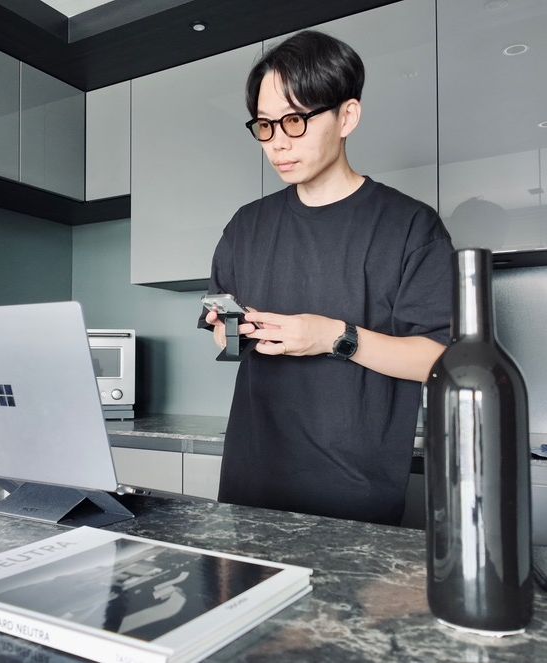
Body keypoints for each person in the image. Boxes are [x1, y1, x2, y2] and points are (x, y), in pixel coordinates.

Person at [198, 30, 453, 525]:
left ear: (347, 117)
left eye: (295, 120)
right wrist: (229, 332)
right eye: (265, 125)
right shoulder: (246, 225)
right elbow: (222, 334)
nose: (278, 142)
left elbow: (441, 361)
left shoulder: (410, 226)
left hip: (354, 495)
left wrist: (334, 337)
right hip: (250, 485)